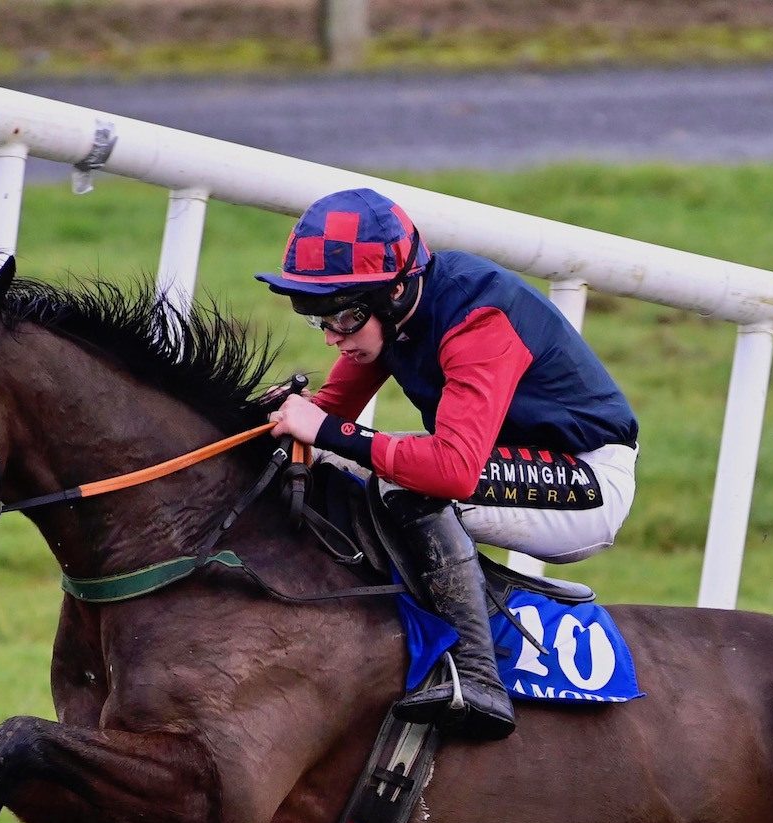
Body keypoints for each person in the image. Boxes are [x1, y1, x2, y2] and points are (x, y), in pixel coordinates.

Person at [258, 187, 640, 741]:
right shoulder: (392, 317)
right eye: (315, 315)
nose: (332, 339)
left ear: (394, 293)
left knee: (407, 483)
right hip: (500, 463)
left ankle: (478, 680)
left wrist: (328, 430)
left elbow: (453, 469)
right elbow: (326, 417)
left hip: (586, 480)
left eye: (343, 316)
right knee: (344, 465)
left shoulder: (476, 317)